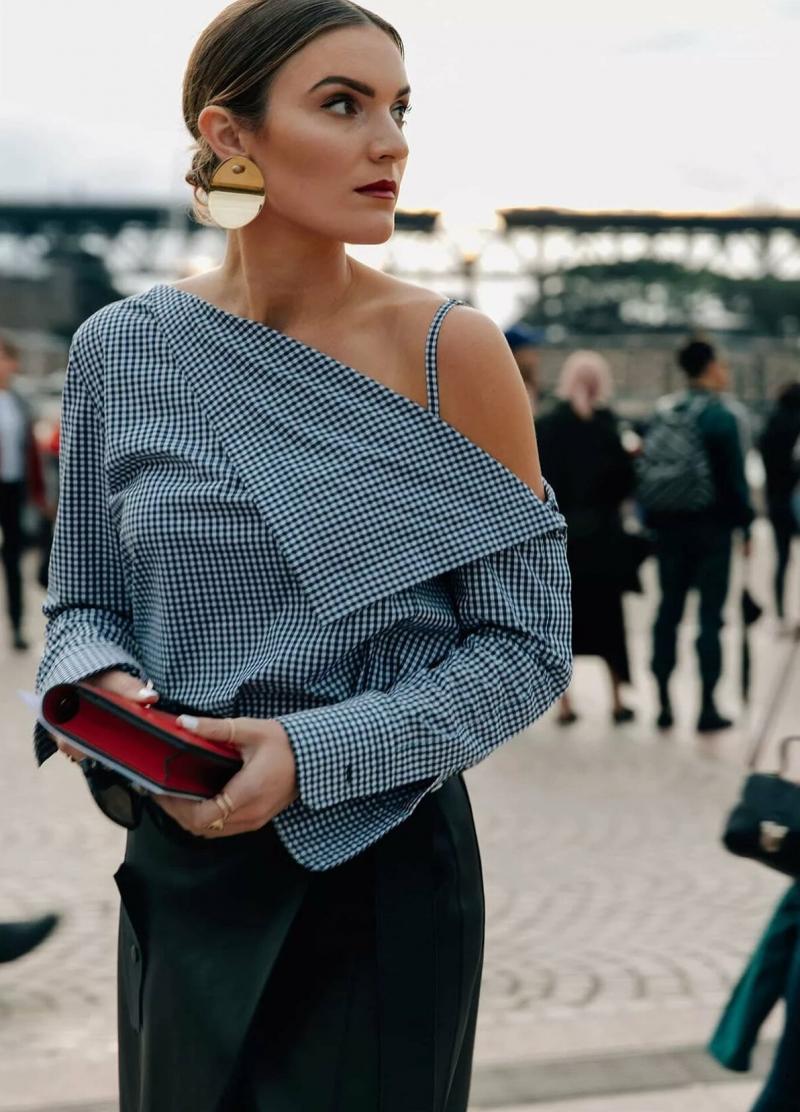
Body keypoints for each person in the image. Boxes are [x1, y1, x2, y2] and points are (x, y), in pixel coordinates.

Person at [33, 4, 572, 1110]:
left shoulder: (451, 351)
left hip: (377, 873)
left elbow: (526, 646)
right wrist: (112, 702)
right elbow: (82, 603)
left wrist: (312, 753)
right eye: (343, 104)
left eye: (400, 108)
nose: (390, 142)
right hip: (180, 858)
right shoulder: (118, 352)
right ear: (229, 134)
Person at [645, 338, 754, 733]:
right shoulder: (723, 416)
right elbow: (735, 480)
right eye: (722, 365)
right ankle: (707, 706)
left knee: (668, 613)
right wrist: (745, 525)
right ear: (709, 367)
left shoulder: (664, 410)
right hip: (712, 529)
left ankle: (663, 703)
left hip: (668, 528)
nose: (725, 372)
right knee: (710, 618)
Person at [537, 351, 637, 725]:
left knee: (563, 622)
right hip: (603, 539)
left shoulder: (548, 424)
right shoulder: (610, 425)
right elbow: (627, 481)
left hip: (562, 541)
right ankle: (617, 700)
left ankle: (565, 704)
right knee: (610, 622)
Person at [0, 336, 46, 650]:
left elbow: (31, 452)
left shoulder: (19, 402)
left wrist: (39, 494)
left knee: (13, 559)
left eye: (5, 357)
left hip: (13, 488)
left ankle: (17, 625)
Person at [758, 383, 800, 628]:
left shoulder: (771, 426)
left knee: (782, 559)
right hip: (794, 498)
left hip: (776, 500)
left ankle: (781, 613)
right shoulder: (796, 426)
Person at [503, 321, 543, 411]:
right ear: (513, 354)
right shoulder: (508, 392)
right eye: (529, 349)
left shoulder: (532, 387)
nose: (536, 355)